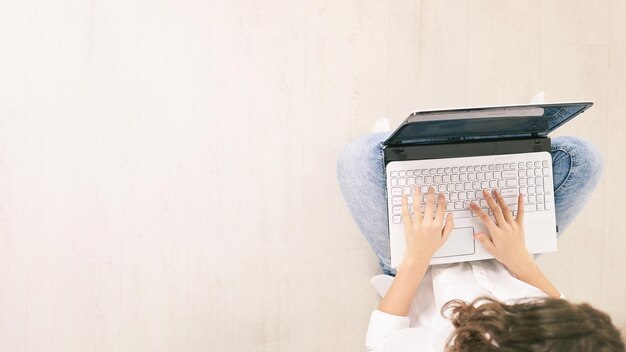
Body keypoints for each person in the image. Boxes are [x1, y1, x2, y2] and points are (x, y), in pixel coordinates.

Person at [337, 131, 625, 352]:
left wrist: (415, 258)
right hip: (507, 259)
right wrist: (520, 261)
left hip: (418, 269)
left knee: (360, 157)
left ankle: (431, 166)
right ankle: (472, 165)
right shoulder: (569, 339)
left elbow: (382, 341)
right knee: (583, 158)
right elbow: (557, 302)